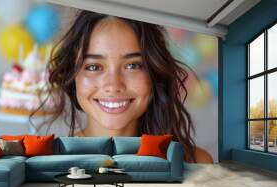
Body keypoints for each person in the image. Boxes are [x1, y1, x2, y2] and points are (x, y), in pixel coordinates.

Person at [34, 10, 213, 163]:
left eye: (132, 65)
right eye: (94, 67)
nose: (113, 85)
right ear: (73, 77)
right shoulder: (50, 162)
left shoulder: (196, 163)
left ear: (154, 74)